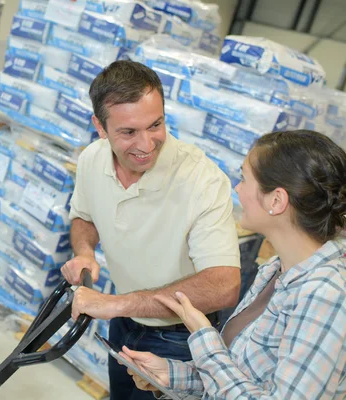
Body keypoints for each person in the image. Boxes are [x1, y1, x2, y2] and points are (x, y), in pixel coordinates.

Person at [61, 60, 242, 400]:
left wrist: (117, 303)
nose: (146, 144)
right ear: (100, 127)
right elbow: (83, 216)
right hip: (123, 323)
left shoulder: (202, 179)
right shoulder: (92, 159)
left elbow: (224, 285)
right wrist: (85, 253)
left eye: (155, 124)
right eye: (128, 132)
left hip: (178, 340)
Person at [121, 130, 346, 399]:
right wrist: (172, 374)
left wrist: (205, 337)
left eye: (244, 179)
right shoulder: (275, 270)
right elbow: (240, 377)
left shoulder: (327, 295)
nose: (237, 188)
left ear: (276, 200)